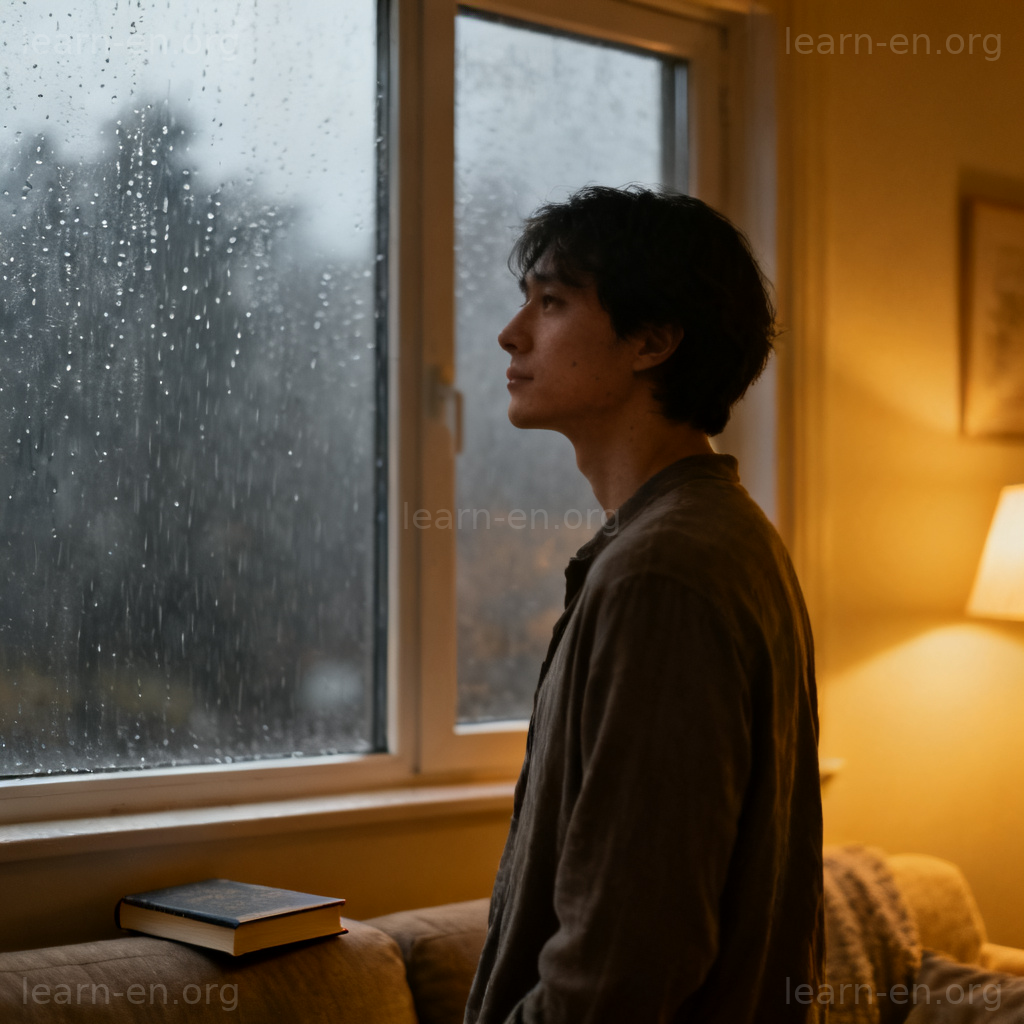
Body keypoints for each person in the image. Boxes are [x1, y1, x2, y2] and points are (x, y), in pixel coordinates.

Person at [463, 186, 823, 1024]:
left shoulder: (664, 572)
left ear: (654, 341)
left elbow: (625, 963)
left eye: (551, 303)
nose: (512, 334)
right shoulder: (715, 537)